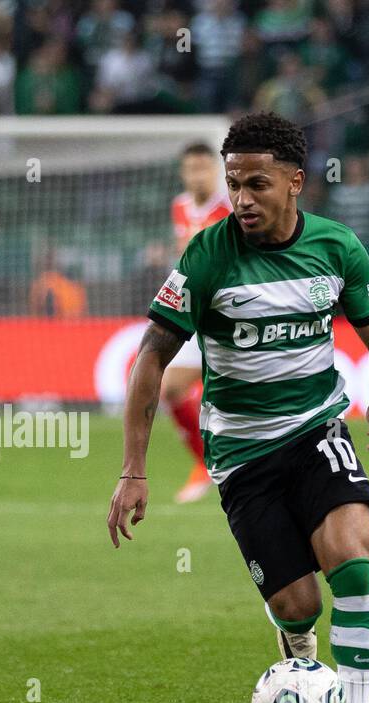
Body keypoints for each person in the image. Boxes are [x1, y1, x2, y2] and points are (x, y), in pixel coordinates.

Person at [107, 112, 369, 703]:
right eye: (234, 183)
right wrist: (134, 467)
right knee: (298, 606)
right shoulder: (208, 255)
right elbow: (151, 359)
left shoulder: (337, 249)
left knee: (353, 557)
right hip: (242, 456)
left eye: (258, 184)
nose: (241, 198)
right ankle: (300, 656)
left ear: (295, 181)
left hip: (317, 430)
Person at [166, 142, 233, 504]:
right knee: (170, 389)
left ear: (216, 171)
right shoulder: (179, 206)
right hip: (194, 313)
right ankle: (204, 462)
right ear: (183, 172)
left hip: (229, 315)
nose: (198, 176)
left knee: (230, 397)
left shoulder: (230, 208)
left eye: (204, 168)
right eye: (191, 169)